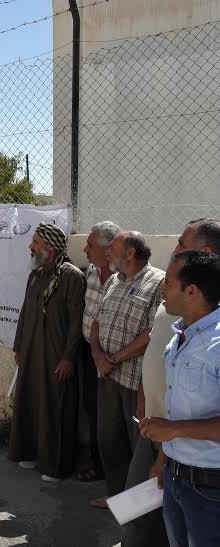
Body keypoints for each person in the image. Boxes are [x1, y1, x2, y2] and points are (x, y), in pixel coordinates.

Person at [122, 218, 220, 546]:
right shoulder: (179, 335)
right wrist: (166, 457)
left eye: (168, 283)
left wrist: (172, 431)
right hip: (176, 475)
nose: (161, 289)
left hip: (209, 489)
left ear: (191, 291)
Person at [89, 231, 164, 507]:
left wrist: (114, 359)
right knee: (110, 442)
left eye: (113, 247)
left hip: (135, 382)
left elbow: (153, 333)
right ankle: (116, 498)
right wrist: (98, 356)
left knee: (138, 446)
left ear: (130, 253)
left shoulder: (158, 282)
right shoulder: (113, 282)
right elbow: (96, 323)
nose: (108, 251)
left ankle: (138, 510)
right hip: (107, 377)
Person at [9, 222, 85, 482]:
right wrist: (19, 346)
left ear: (50, 247)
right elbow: (25, 313)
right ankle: (29, 453)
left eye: (36, 242)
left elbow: (76, 322)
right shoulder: (36, 275)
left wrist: (68, 357)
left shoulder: (71, 277)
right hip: (31, 350)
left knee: (54, 406)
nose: (30, 246)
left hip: (55, 354)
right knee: (30, 400)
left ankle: (55, 466)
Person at [79, 221, 121, 483]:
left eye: (90, 245)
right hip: (89, 353)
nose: (85, 249)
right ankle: (98, 466)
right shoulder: (90, 273)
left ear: (108, 250)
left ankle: (119, 473)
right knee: (92, 408)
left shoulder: (124, 277)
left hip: (116, 358)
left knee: (115, 416)